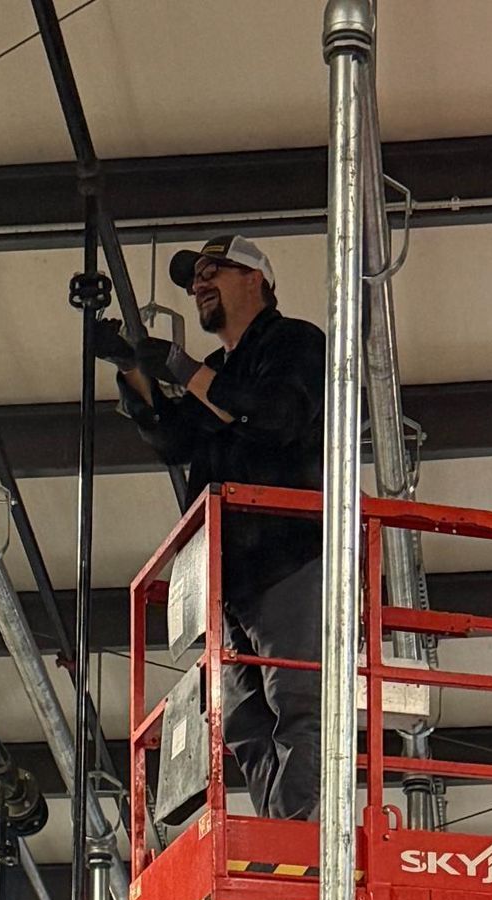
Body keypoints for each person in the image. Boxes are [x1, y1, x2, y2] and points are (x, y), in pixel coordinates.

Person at [95, 233, 326, 822]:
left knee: (298, 700)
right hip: (226, 573)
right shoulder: (218, 369)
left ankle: (302, 839)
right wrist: (133, 370)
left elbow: (275, 416)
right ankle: (286, 834)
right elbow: (174, 437)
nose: (198, 283)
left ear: (256, 279)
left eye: (211, 270)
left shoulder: (296, 342)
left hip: (287, 556)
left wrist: (183, 369)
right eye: (194, 275)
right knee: (244, 720)